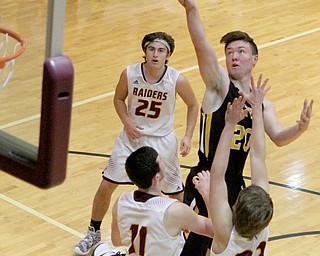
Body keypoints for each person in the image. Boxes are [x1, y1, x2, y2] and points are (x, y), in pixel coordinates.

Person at [178, 0, 313, 255]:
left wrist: (300, 128)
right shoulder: (219, 86)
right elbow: (202, 48)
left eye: (240, 51)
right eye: (229, 52)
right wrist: (191, 11)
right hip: (207, 176)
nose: (233, 56)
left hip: (236, 183)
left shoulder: (262, 103)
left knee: (222, 244)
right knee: (198, 246)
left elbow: (278, 138)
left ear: (254, 59)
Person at [73, 31, 199, 255]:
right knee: (106, 185)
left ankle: (180, 238)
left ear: (168, 54)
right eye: (151, 49)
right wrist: (126, 121)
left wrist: (188, 135)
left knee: (175, 193)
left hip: (162, 142)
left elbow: (192, 105)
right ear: (145, 51)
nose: (155, 54)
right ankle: (93, 231)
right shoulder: (130, 73)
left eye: (161, 50)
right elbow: (118, 99)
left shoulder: (177, 79)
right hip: (131, 139)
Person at [195, 77, 273, 255]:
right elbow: (258, 157)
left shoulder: (225, 234)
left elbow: (216, 173)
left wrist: (230, 124)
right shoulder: (262, 226)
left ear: (235, 206)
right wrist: (256, 109)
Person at [92, 146, 213, 256]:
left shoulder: (121, 201)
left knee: (100, 248)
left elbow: (116, 240)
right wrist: (207, 194)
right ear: (157, 177)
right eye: (161, 161)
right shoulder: (175, 210)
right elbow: (215, 231)